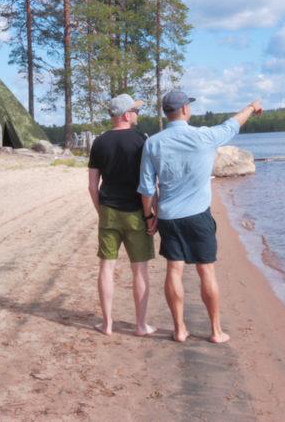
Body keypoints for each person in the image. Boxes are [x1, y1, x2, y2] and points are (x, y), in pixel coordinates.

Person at [138, 90, 262, 343]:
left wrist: (149, 216)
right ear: (185, 109)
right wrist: (251, 107)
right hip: (198, 216)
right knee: (206, 271)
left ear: (166, 112)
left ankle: (179, 329)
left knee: (174, 269)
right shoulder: (204, 136)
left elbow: (147, 187)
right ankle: (216, 331)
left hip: (169, 216)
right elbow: (233, 124)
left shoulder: (153, 143)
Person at [87, 93, 156, 337]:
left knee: (106, 267)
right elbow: (149, 183)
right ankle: (140, 325)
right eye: (135, 111)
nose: (137, 114)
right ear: (126, 115)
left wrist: (101, 211)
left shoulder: (100, 142)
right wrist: (151, 214)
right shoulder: (142, 141)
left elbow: (92, 185)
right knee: (140, 269)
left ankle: (107, 324)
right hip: (136, 212)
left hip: (109, 211)